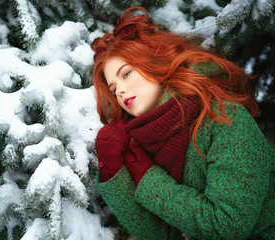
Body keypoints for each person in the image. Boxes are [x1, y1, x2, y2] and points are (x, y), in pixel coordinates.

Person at [91, 6, 275, 240]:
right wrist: (114, 170)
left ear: (154, 61)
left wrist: (147, 176)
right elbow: (163, 235)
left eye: (126, 74)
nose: (120, 91)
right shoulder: (148, 139)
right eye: (113, 88)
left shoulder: (225, 118)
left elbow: (228, 225)